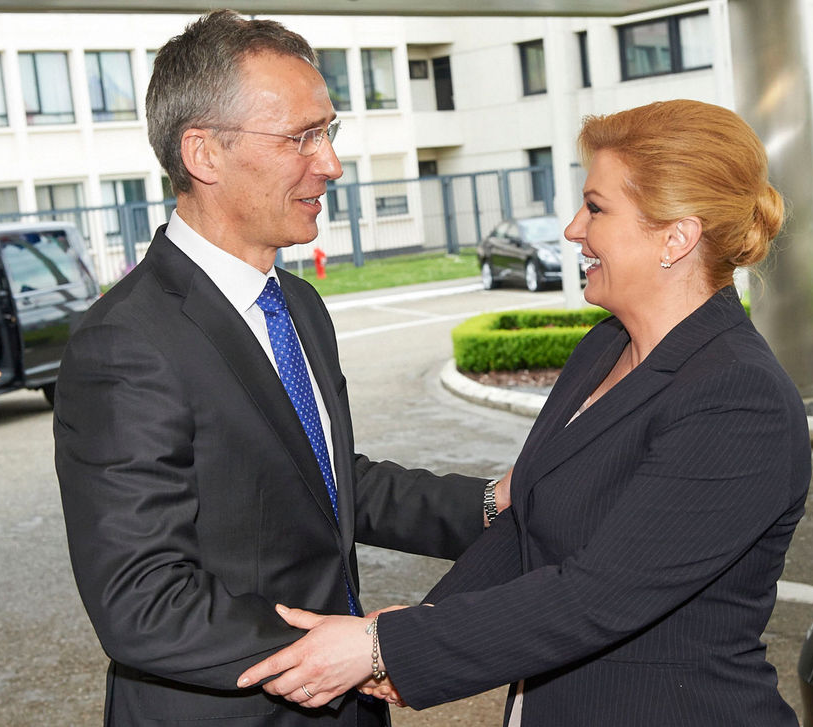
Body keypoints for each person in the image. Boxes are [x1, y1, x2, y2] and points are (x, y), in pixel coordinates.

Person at [237, 99, 812, 726]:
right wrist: (408, 635)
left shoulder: (738, 398)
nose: (572, 229)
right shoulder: (605, 346)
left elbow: (599, 595)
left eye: (596, 207)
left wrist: (380, 650)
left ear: (676, 235)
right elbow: (527, 524)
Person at [54, 11, 504, 727]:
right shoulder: (127, 343)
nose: (329, 163)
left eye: (329, 132)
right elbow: (142, 600)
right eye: (301, 137)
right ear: (203, 153)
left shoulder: (295, 302)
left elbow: (323, 482)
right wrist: (361, 650)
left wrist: (487, 506)